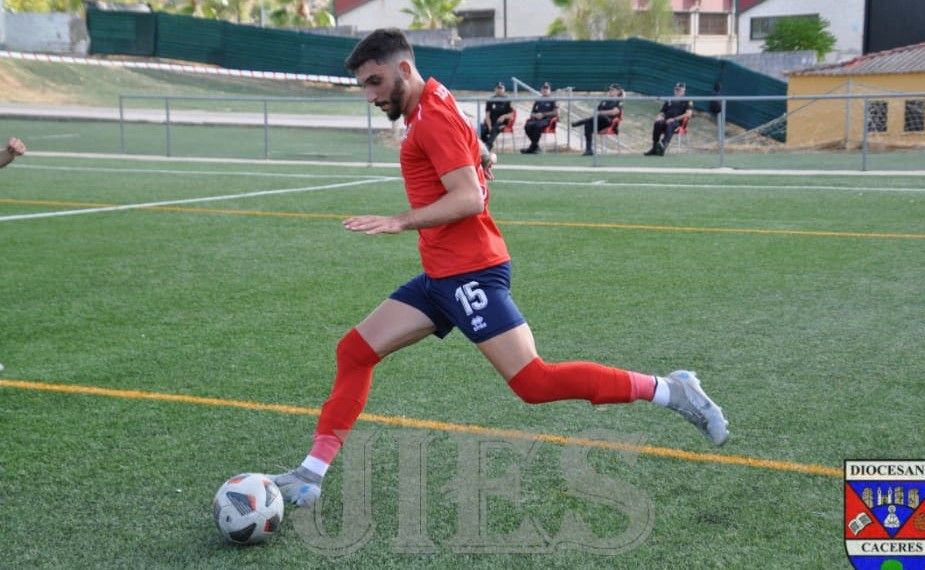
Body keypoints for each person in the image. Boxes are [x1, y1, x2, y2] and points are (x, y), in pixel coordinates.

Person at [270, 29, 729, 508]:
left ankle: (671, 390)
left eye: (375, 81)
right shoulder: (434, 98)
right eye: (363, 85)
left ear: (403, 69)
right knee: (354, 352)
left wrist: (399, 221)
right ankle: (310, 475)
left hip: (470, 274)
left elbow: (467, 198)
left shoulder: (431, 118)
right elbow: (476, 150)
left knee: (535, 382)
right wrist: (483, 156)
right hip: (440, 277)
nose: (370, 95)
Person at [572, 83, 624, 156]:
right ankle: (589, 150)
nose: (610, 91)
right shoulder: (604, 100)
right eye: (610, 89)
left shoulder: (619, 100)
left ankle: (583, 121)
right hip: (599, 122)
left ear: (618, 92)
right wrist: (600, 113)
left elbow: (615, 112)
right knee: (588, 125)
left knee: (601, 116)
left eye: (612, 90)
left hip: (610, 123)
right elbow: (596, 112)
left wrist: (602, 112)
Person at [644, 82, 693, 156]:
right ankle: (654, 147)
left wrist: (674, 119)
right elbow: (662, 111)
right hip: (666, 121)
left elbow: (688, 114)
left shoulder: (688, 100)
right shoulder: (670, 99)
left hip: (678, 123)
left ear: (683, 90)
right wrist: (660, 116)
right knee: (657, 123)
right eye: (676, 89)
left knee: (671, 124)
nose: (677, 91)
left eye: (679, 90)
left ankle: (663, 147)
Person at [520, 82, 558, 154]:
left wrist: (543, 114)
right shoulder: (538, 100)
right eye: (543, 88)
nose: (545, 90)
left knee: (537, 126)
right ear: (541, 90)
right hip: (536, 119)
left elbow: (555, 113)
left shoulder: (553, 100)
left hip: (547, 120)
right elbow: (532, 113)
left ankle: (532, 148)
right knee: (527, 126)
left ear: (550, 90)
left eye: (547, 88)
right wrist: (535, 115)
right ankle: (535, 147)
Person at [480, 82, 514, 151]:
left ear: (504, 89)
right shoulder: (490, 100)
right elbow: (487, 115)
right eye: (498, 88)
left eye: (501, 88)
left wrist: (504, 116)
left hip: (502, 123)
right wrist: (489, 126)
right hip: (490, 122)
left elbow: (512, 114)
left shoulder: (507, 100)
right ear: (495, 89)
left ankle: (487, 146)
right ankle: (488, 144)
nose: (499, 90)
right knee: (481, 129)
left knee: (496, 127)